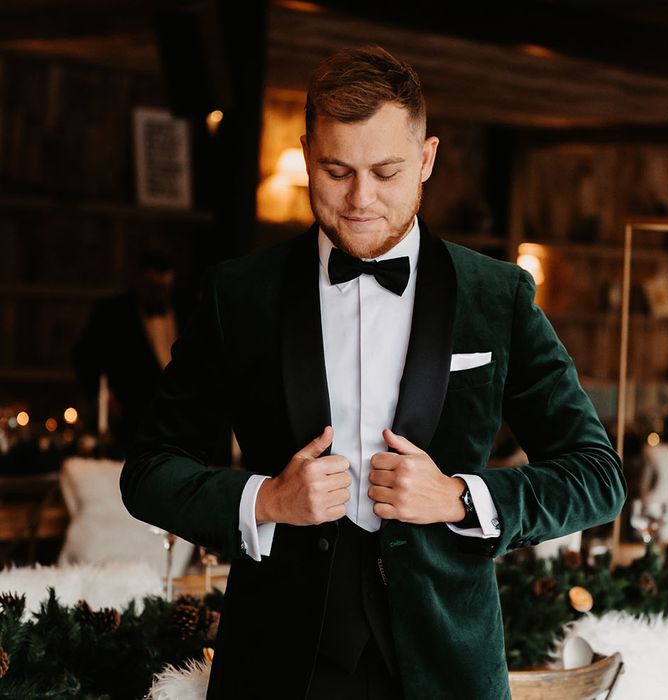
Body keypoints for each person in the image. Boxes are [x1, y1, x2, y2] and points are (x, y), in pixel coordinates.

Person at [121, 46, 626, 699]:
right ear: (307, 155)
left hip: (444, 667)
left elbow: (597, 476)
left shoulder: (496, 297)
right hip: (277, 663)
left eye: (386, 172)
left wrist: (461, 497)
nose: (361, 200)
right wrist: (265, 499)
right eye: (337, 171)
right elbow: (149, 470)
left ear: (427, 160)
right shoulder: (238, 295)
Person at [72, 250, 196, 456]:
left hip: (184, 422)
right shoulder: (113, 313)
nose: (157, 293)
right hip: (132, 420)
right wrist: (102, 396)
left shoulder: (189, 309)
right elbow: (84, 356)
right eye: (151, 287)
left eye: (162, 287)